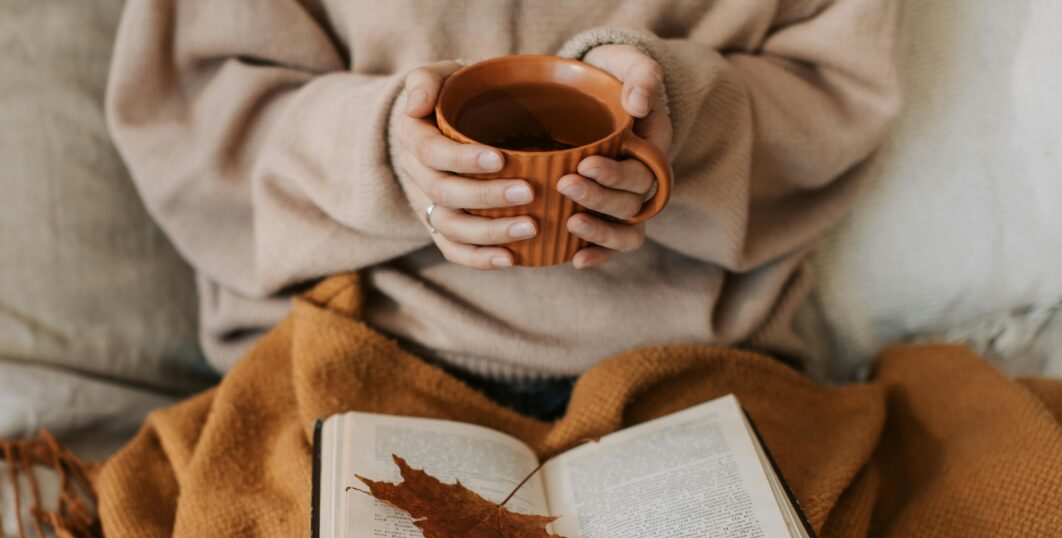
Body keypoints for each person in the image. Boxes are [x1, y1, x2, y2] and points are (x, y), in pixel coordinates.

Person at [106, 0, 901, 420]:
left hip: (699, 368)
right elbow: (191, 118)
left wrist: (680, 116)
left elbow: (837, 93)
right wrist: (382, 149)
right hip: (357, 351)